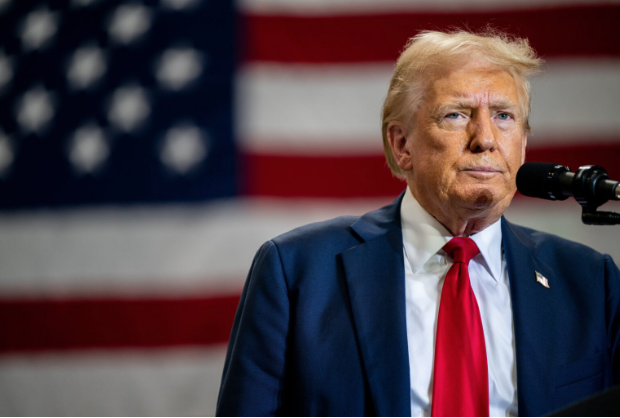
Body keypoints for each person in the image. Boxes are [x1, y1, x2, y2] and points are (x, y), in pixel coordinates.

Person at [216, 29, 620, 416]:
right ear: (401, 144)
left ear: (524, 142)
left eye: (503, 116)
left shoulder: (589, 281)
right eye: (456, 115)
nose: (485, 138)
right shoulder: (297, 271)